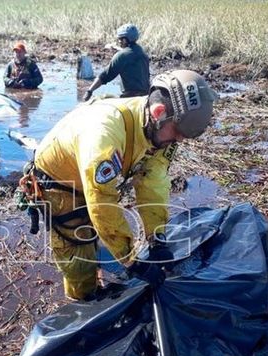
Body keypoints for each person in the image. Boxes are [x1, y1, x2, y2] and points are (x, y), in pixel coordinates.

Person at [19, 70, 217, 300]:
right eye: (177, 134)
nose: (180, 140)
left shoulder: (158, 129)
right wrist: (130, 260)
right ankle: (82, 303)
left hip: (91, 176)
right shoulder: (104, 135)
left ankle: (99, 264)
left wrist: (157, 237)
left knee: (98, 232)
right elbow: (101, 201)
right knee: (78, 258)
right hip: (59, 184)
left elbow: (154, 181)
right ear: (159, 112)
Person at [83, 24, 150, 101]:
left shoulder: (121, 56)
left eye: (120, 39)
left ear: (125, 40)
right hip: (145, 96)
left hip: (130, 98)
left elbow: (105, 76)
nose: (119, 41)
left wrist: (89, 91)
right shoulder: (143, 53)